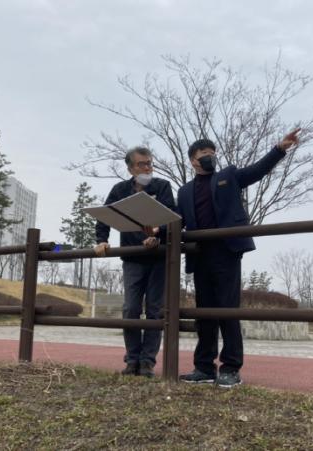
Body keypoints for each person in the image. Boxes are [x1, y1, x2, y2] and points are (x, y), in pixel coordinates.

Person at [177, 129, 301, 387]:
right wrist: (156, 230)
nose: (211, 157)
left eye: (213, 153)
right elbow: (178, 221)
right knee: (204, 313)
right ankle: (204, 367)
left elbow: (257, 171)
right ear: (193, 160)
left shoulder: (229, 176)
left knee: (228, 310)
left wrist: (279, 149)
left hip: (226, 251)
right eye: (205, 154)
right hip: (199, 255)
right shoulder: (184, 191)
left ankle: (231, 367)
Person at [94, 147, 175, 378]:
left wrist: (158, 234)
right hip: (132, 259)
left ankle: (147, 361)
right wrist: (102, 240)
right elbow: (104, 216)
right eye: (141, 164)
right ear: (130, 168)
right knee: (130, 309)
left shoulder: (162, 186)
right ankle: (132, 359)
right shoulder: (119, 190)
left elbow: (173, 217)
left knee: (155, 311)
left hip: (159, 258)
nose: (147, 167)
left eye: (150, 163)